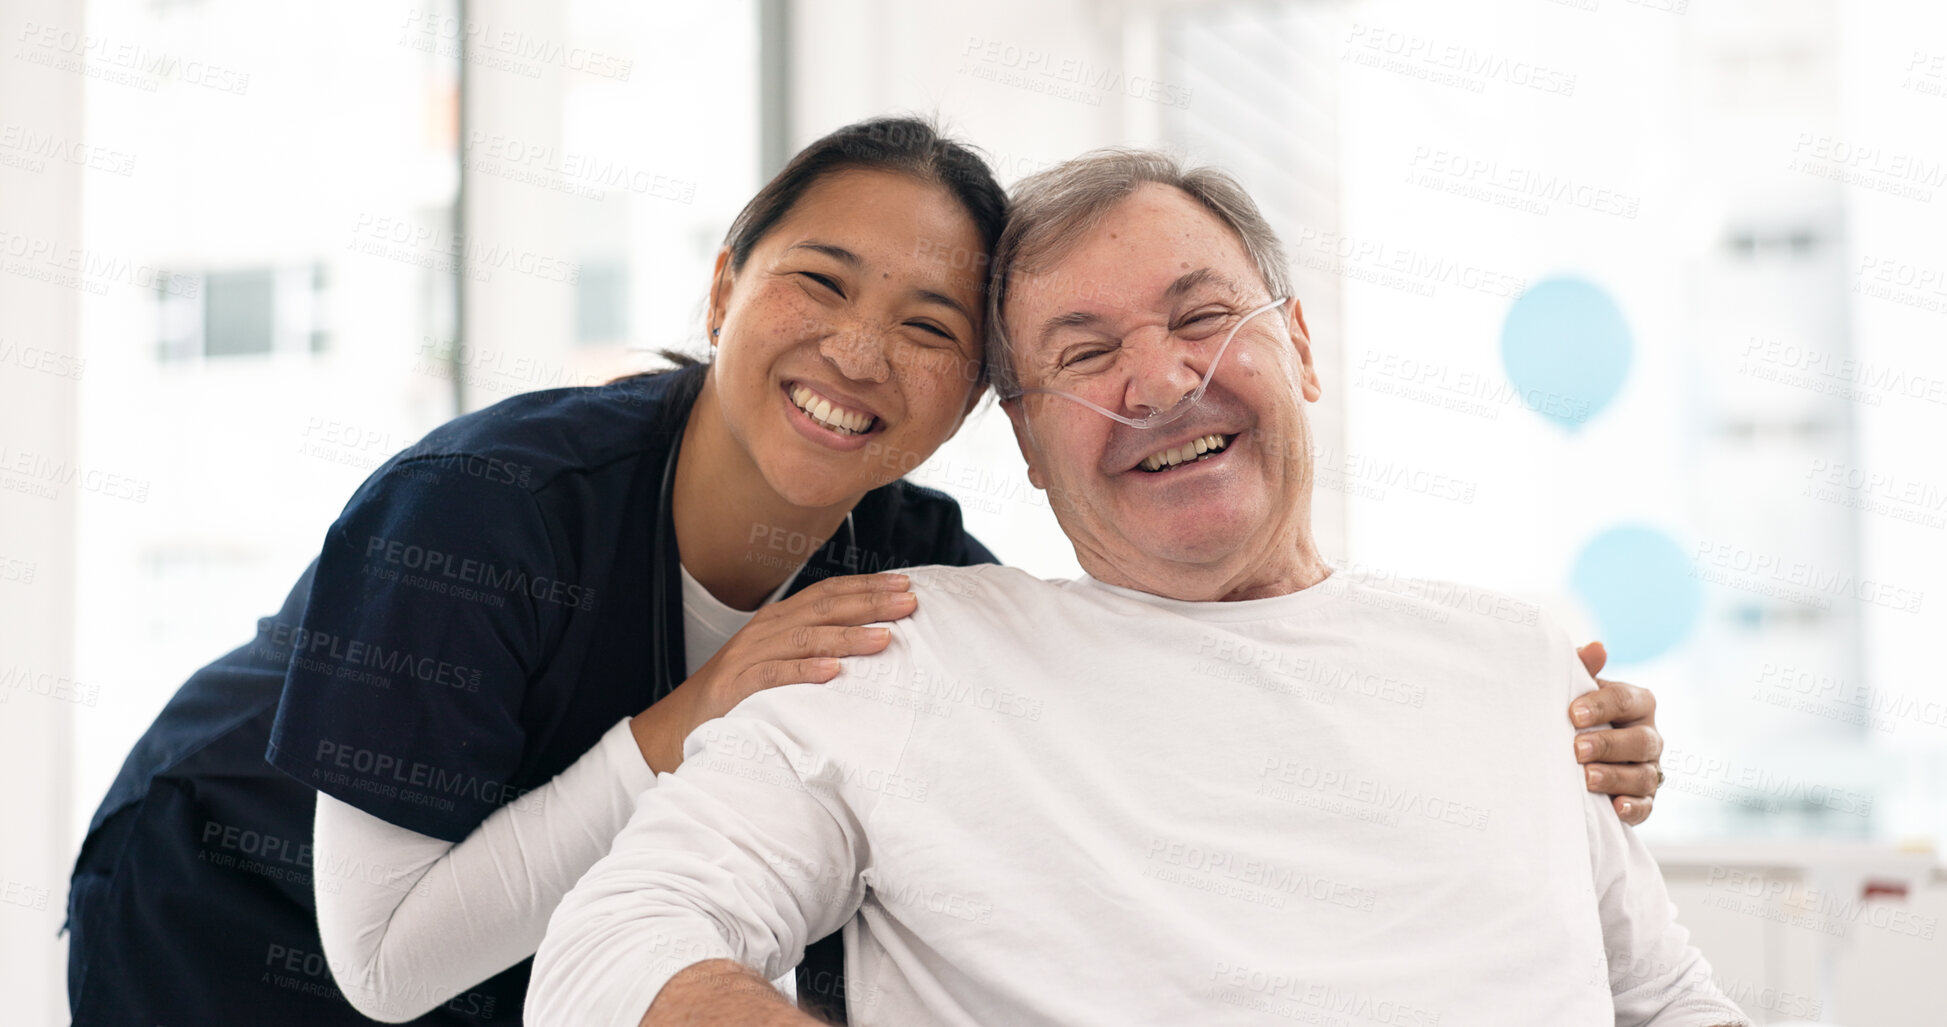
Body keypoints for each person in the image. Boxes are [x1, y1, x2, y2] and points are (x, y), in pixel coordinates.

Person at [66, 119, 1661, 1025]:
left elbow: (1075, 714)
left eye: (927, 326)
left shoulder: (912, 576)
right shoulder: (482, 507)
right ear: (722, 281)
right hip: (236, 911)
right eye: (819, 281)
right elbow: (391, 957)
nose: (854, 350)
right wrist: (695, 712)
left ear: (983, 408)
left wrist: (1541, 736)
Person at [525, 150, 1745, 1026]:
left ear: (1302, 346)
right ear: (1027, 441)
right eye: (1086, 353)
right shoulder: (907, 653)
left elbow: (1670, 1000)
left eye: (1204, 316)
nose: (1160, 383)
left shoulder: (1521, 661)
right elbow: (610, 951)